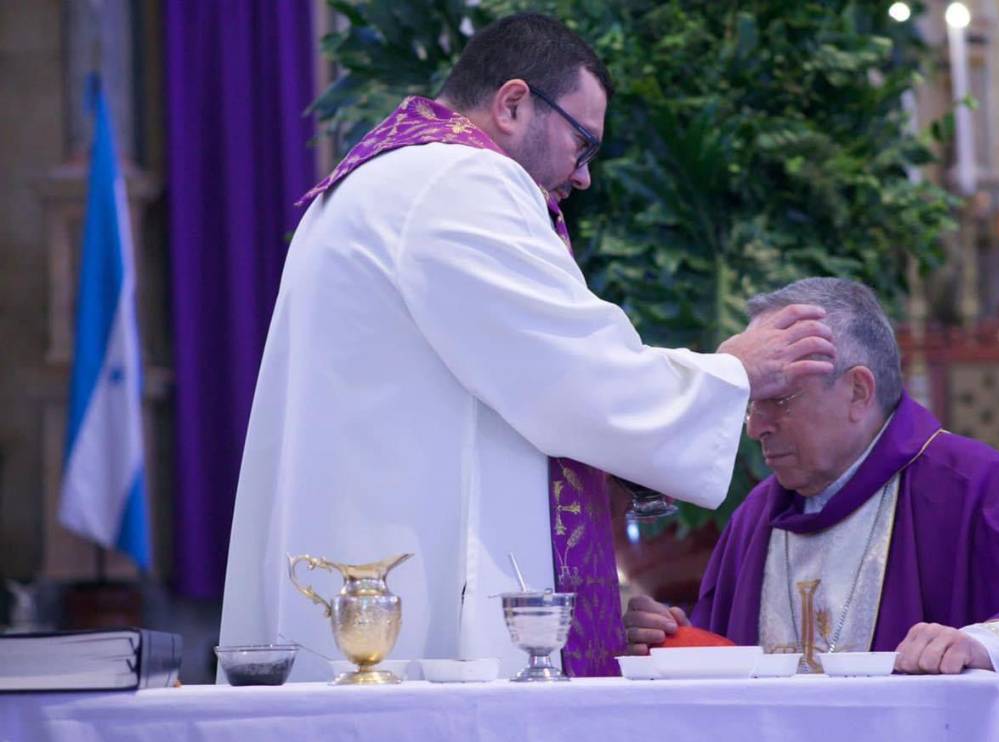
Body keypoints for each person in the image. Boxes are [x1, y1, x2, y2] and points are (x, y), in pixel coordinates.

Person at [218, 13, 834, 682]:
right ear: (513, 103)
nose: (584, 176)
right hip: (404, 606)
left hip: (366, 571)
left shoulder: (389, 177)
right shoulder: (459, 181)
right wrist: (733, 372)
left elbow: (511, 381)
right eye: (584, 143)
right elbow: (571, 374)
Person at [624, 277, 999, 742]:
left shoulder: (964, 485)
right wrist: (678, 645)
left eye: (776, 401)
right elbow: (731, 678)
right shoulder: (756, 519)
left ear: (858, 393)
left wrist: (983, 647)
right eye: (751, 405)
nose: (755, 428)